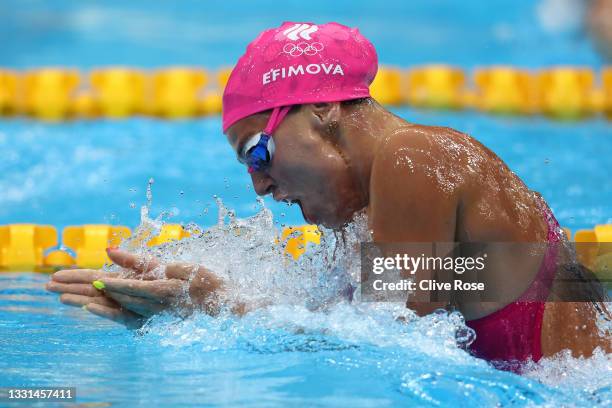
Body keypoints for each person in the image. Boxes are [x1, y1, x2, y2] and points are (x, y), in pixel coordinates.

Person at [47, 22, 610, 369]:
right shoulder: (390, 208)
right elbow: (384, 319)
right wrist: (194, 296)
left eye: (256, 153)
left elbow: (390, 342)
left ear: (321, 109)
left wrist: (213, 308)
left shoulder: (414, 158)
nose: (260, 186)